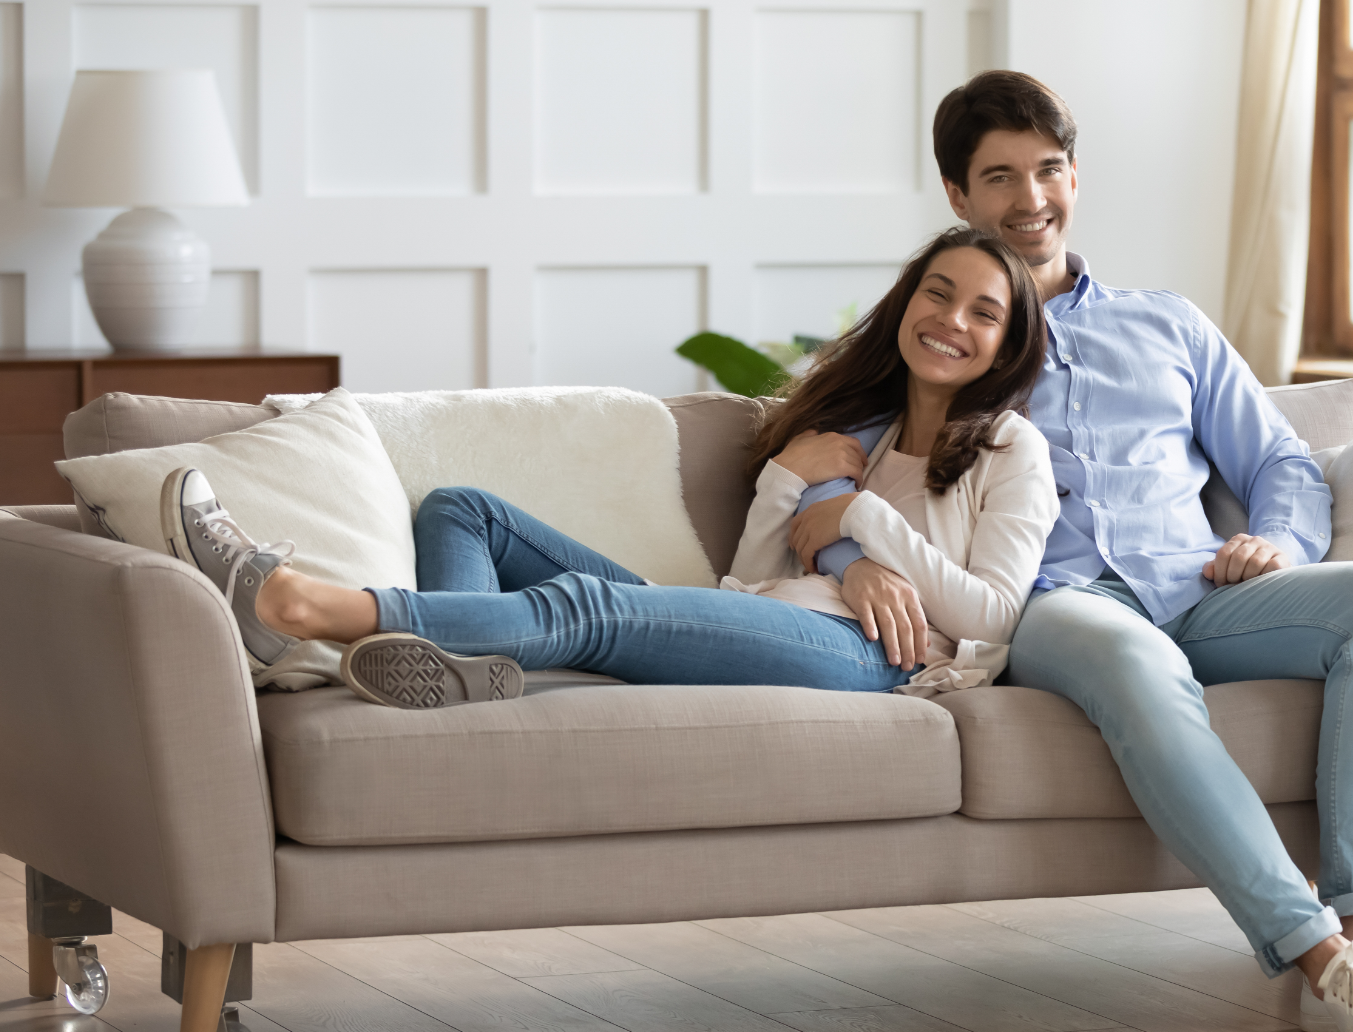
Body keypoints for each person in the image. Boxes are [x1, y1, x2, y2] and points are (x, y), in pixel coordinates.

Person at [807, 72, 1353, 1032]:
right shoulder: (945, 327)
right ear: (957, 195)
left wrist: (1278, 540)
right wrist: (851, 560)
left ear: (1076, 174)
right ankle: (1322, 963)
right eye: (999, 176)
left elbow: (1282, 463)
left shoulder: (1168, 325)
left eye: (1048, 169)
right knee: (1134, 660)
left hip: (1203, 588)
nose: (1030, 197)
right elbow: (814, 466)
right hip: (1055, 604)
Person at [161, 226, 1058, 708]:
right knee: (461, 508)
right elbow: (747, 582)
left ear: (1008, 344)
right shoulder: (850, 435)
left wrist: (860, 525)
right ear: (907, 304)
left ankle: (300, 606)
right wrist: (789, 479)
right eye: (938, 292)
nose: (952, 318)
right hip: (772, 619)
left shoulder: (1011, 451)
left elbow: (992, 614)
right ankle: (456, 665)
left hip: (870, 659)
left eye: (984, 312)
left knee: (592, 610)